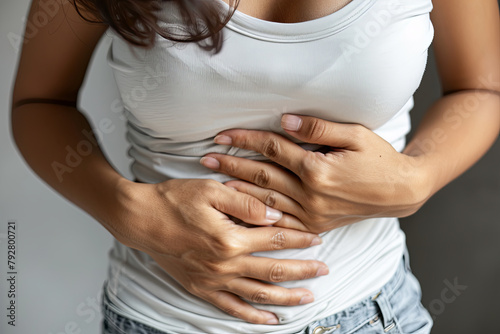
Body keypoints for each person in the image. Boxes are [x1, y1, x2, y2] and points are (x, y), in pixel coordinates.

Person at [10, 0, 499, 333]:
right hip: (161, 318)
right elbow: (38, 101)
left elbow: (481, 88)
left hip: (372, 312)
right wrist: (127, 210)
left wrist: (419, 176)